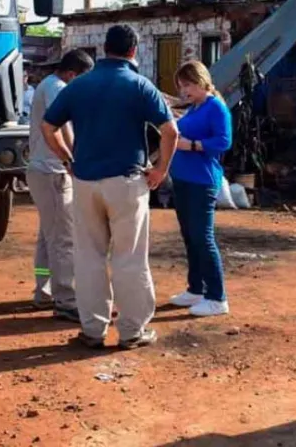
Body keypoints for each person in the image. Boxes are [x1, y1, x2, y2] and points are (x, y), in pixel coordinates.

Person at [42, 24, 179, 350]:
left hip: (86, 183)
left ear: (105, 48)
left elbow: (49, 126)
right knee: (129, 258)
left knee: (88, 257)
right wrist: (160, 170)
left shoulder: (78, 86)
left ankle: (93, 330)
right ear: (133, 50)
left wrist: (68, 159)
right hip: (127, 183)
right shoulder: (140, 85)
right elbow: (170, 131)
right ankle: (132, 332)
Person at [26, 49, 95, 321]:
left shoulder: (47, 85)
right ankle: (66, 298)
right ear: (71, 74)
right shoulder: (57, 88)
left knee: (48, 238)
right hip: (52, 172)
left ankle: (43, 291)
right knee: (64, 240)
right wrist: (72, 159)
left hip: (42, 171)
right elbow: (60, 125)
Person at [168, 61, 233, 317]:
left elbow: (223, 141)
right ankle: (196, 288)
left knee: (202, 238)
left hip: (201, 181)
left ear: (202, 81)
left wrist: (191, 145)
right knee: (190, 236)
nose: (185, 90)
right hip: (183, 179)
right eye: (182, 86)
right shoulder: (195, 108)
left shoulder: (216, 107)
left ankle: (217, 297)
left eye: (189, 84)